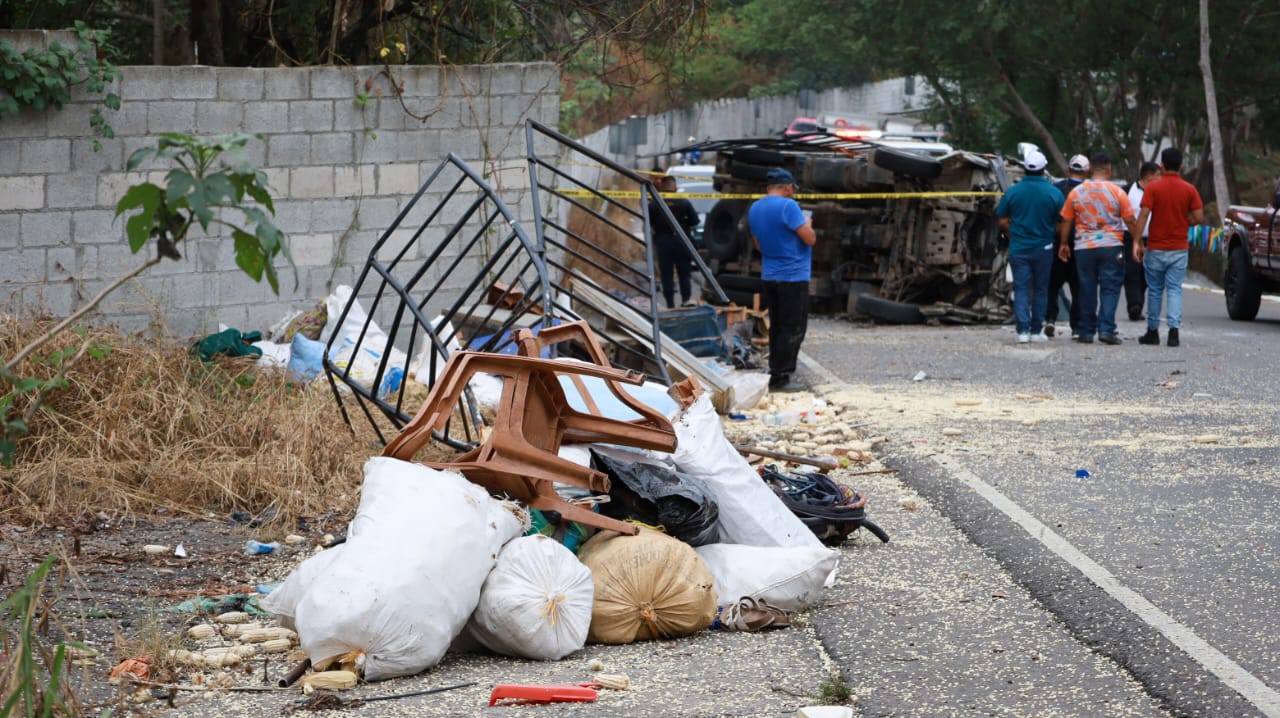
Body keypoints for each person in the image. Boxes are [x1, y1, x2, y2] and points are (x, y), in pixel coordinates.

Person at [1058, 153, 1140, 345]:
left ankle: (1086, 331)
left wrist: (1063, 244)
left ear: (1091, 170)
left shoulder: (1076, 192)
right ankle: (1106, 330)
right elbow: (1129, 220)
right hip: (1111, 246)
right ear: (1109, 170)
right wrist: (1137, 241)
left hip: (1083, 247)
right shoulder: (1118, 192)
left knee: (1086, 287)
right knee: (1110, 288)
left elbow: (1066, 220)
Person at [747, 167, 816, 392]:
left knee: (777, 325)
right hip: (793, 276)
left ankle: (775, 369)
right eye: (792, 189)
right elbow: (810, 239)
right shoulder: (789, 206)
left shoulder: (755, 208)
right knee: (793, 327)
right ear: (787, 187)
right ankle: (782, 376)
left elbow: (758, 245)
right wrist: (808, 222)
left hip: (770, 274)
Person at [1134, 147, 1205, 348]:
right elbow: (1199, 216)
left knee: (1155, 290)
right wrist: (1185, 222)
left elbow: (1144, 214)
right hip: (1179, 247)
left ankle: (1152, 331)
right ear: (1181, 166)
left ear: (1162, 166)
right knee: (1174, 289)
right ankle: (1174, 332)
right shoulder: (1189, 189)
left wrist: (1137, 241)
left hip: (1156, 246)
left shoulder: (1153, 188)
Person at [995, 149, 1064, 343]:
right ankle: (1036, 330)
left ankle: (1022, 332)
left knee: (1022, 289)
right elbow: (1061, 221)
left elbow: (1002, 220)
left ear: (1025, 169)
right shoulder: (1054, 193)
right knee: (1041, 289)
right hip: (1044, 248)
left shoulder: (1013, 191)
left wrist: (1012, 234)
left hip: (1019, 248)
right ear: (1044, 170)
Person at [1047, 154, 1090, 337]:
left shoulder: (1056, 189)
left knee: (1053, 285)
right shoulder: (1089, 191)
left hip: (1057, 243)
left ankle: (1049, 319)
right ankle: (1077, 327)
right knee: (1078, 287)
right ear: (1087, 172)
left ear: (1068, 169)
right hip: (1082, 244)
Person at [648, 173, 701, 309]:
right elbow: (695, 221)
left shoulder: (655, 203)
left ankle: (670, 304)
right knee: (684, 272)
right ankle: (685, 300)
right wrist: (684, 223)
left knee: (666, 274)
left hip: (663, 243)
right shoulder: (684, 202)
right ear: (675, 187)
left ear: (662, 188)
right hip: (682, 241)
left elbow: (648, 222)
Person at [1123, 161, 1160, 320]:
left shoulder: (1159, 192)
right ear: (1149, 176)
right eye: (1158, 175)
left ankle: (1139, 303)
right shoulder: (1126, 190)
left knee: (1147, 274)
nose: (1161, 179)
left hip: (1152, 238)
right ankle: (1134, 306)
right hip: (1129, 237)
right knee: (1131, 272)